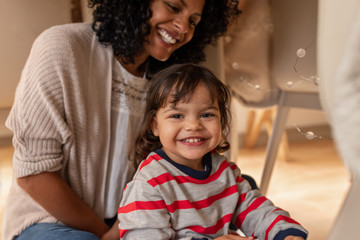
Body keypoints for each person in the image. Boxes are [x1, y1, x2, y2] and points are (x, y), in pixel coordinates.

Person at [1, 1, 241, 240]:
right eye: (173, 6)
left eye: (193, 21)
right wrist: (108, 235)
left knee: (238, 186)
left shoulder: (175, 78)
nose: (183, 27)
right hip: (51, 221)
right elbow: (33, 174)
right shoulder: (61, 46)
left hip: (143, 216)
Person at [118, 63, 308, 240]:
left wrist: (284, 232)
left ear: (222, 120)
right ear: (155, 125)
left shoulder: (224, 170)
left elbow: (253, 208)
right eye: (177, 115)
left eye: (206, 115)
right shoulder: (148, 186)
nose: (193, 125)